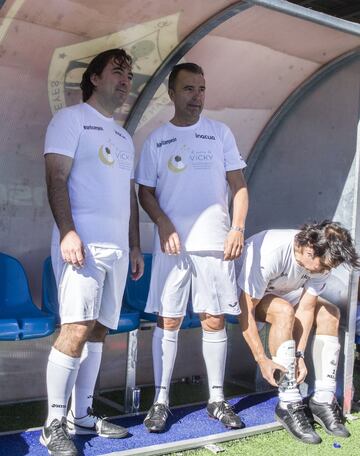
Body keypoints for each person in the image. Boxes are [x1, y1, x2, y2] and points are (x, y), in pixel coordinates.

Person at [136, 62, 249, 432]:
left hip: (215, 244)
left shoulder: (220, 133)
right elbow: (145, 192)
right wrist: (163, 222)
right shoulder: (157, 139)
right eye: (188, 89)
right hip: (172, 248)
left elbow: (239, 186)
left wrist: (237, 228)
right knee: (167, 320)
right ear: (171, 93)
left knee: (213, 319)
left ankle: (217, 400)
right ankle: (160, 401)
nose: (196, 96)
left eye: (201, 89)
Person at [42, 49, 144, 456]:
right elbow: (56, 177)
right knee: (76, 327)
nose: (125, 81)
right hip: (80, 245)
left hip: (118, 250)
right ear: (95, 78)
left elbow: (128, 197)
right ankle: (52, 422)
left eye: (129, 75)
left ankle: (80, 416)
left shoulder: (123, 136)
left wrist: (135, 245)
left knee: (99, 329)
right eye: (118, 72)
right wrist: (68, 231)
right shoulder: (69, 119)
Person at [237, 221, 360, 444]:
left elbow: (306, 307)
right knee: (283, 311)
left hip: (282, 293)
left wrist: (299, 355)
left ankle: (322, 399)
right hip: (243, 295)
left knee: (330, 314)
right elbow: (245, 310)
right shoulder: (272, 253)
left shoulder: (320, 260)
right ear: (308, 249)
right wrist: (261, 359)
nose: (325, 271)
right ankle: (288, 402)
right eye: (323, 266)